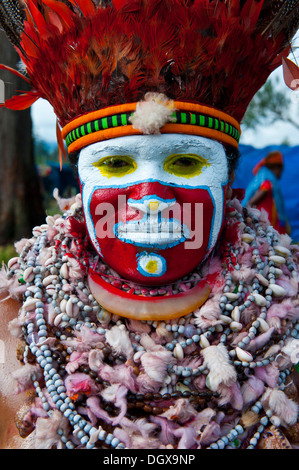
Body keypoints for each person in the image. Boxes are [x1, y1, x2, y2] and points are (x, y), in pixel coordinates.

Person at [0, 0, 299, 450]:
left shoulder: (290, 308)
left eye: (185, 162)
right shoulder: (12, 319)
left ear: (228, 180)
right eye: (117, 164)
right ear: (81, 184)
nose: (150, 198)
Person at [243, 151, 291, 235]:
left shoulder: (267, 182)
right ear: (276, 168)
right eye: (281, 170)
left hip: (269, 226)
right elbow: (250, 202)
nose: (280, 174)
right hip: (265, 226)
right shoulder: (267, 183)